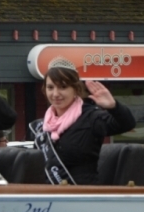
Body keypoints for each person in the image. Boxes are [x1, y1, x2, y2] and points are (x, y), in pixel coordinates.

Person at [29, 57, 136, 185]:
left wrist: (114, 106)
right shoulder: (43, 126)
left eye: (63, 87)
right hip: (49, 194)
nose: (55, 94)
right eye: (50, 87)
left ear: (75, 89)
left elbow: (126, 124)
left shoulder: (91, 117)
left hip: (83, 193)